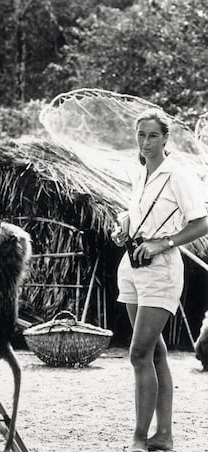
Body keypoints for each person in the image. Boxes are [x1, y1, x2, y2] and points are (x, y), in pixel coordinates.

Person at [111, 108, 208, 452]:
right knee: (155, 353)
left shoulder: (177, 175)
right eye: (141, 135)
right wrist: (123, 230)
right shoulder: (140, 175)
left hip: (162, 268)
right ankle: (163, 436)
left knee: (139, 353)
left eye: (153, 135)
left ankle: (139, 439)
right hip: (132, 266)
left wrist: (162, 243)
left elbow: (201, 222)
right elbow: (135, 217)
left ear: (166, 138)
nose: (146, 142)